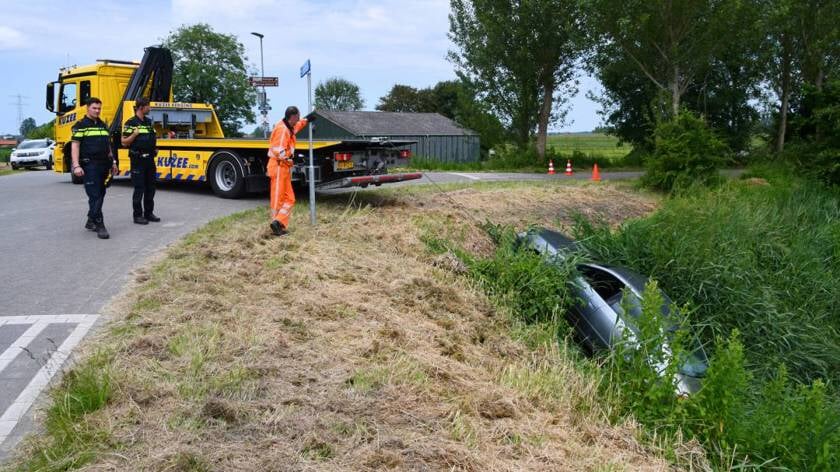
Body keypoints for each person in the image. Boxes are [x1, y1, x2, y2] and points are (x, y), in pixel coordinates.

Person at [71, 97, 117, 239]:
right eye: (94, 108)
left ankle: (91, 219)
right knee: (95, 195)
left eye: (99, 108)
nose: (97, 111)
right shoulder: (80, 125)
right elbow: (75, 145)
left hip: (104, 164)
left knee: (101, 193)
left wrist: (113, 162)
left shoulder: (103, 125)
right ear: (87, 108)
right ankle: (99, 224)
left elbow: (108, 146)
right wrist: (76, 165)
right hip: (89, 165)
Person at [266, 106, 314, 236]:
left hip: (284, 167)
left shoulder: (289, 127)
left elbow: (297, 126)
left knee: (290, 199)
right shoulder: (282, 130)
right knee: (278, 199)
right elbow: (278, 150)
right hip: (278, 166)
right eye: (297, 117)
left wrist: (306, 120)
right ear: (292, 117)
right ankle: (275, 226)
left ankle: (278, 222)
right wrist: (291, 159)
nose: (298, 119)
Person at [121, 97, 160, 224]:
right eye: (148, 106)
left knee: (151, 187)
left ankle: (149, 213)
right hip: (138, 160)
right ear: (141, 107)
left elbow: (152, 138)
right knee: (139, 188)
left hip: (150, 159)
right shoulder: (131, 122)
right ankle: (137, 216)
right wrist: (134, 134)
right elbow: (124, 142)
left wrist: (155, 148)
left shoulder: (149, 122)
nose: (150, 108)